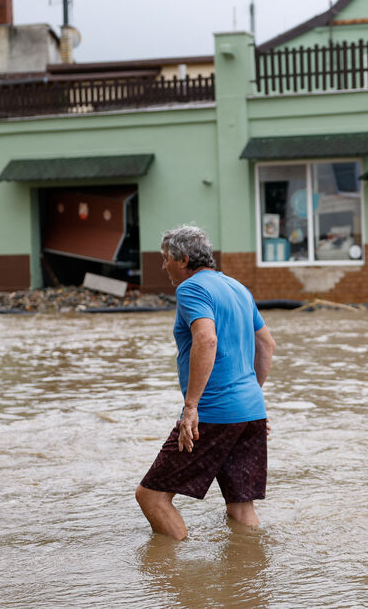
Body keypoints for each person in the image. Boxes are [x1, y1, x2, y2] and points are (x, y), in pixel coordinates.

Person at [136, 225, 275, 540]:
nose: (163, 265)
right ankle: (247, 579)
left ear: (183, 259)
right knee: (241, 508)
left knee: (151, 497)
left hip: (212, 413)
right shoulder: (238, 288)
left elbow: (206, 339)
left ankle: (179, 579)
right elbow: (267, 345)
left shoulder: (190, 289)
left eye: (166, 258)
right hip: (250, 411)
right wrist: (250, 400)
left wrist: (191, 407)